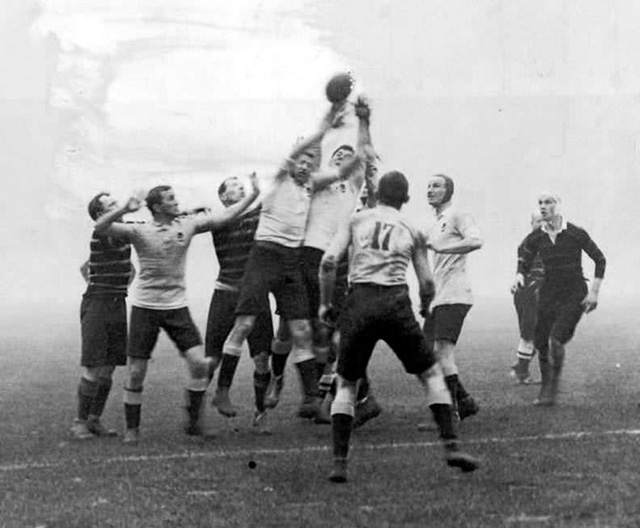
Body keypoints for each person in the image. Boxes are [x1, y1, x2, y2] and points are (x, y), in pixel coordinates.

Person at [319, 171, 480, 483]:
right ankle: (451, 447)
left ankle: (340, 463)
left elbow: (328, 262)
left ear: (377, 194)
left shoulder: (357, 220)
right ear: (406, 199)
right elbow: (428, 281)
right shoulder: (414, 229)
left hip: (360, 300)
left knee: (348, 382)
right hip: (395, 302)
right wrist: (423, 305)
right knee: (431, 374)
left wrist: (326, 303)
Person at [93, 176, 259, 444]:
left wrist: (253, 195)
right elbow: (101, 226)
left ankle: (193, 423)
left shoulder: (187, 224)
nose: (177, 202)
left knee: (200, 364)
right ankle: (132, 429)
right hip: (145, 308)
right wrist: (125, 207)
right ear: (157, 207)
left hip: (176, 308)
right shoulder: (139, 230)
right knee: (136, 371)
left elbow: (226, 217)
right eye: (170, 199)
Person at [220, 103, 359, 423]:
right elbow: (303, 150)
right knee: (251, 326)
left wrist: (361, 135)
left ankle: (311, 396)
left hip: (299, 263)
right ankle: (230, 387)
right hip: (272, 256)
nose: (307, 164)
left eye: (312, 160)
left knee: (303, 330)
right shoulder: (281, 179)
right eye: (304, 159)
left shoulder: (316, 184)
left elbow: (342, 169)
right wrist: (328, 122)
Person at [516, 192, 605, 406]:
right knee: (540, 342)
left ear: (559, 205)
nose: (544, 206)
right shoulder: (536, 237)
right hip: (548, 294)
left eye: (549, 202)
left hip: (574, 294)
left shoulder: (575, 233)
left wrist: (593, 292)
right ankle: (546, 389)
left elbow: (600, 260)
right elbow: (524, 258)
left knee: (555, 339)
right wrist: (519, 275)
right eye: (540, 203)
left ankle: (551, 390)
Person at [205, 176, 274, 434]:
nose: (239, 184)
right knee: (211, 358)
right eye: (232, 184)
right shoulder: (220, 220)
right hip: (225, 294)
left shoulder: (258, 215)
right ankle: (198, 411)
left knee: (262, 358)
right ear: (223, 196)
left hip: (255, 294)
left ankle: (260, 413)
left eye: (239, 182)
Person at [72, 193, 135, 440]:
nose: (118, 207)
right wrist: (96, 287)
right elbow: (84, 268)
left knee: (108, 369)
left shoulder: (123, 233)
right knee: (93, 367)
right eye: (112, 205)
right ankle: (79, 422)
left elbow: (131, 270)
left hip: (117, 305)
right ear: (101, 214)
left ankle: (94, 420)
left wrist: (119, 285)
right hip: (97, 305)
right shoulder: (101, 231)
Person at [423, 174, 483, 421]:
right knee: (427, 354)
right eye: (428, 186)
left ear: (449, 191)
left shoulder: (458, 216)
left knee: (442, 352)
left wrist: (443, 248)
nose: (430, 189)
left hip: (456, 294)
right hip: (440, 297)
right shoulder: (434, 224)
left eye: (437, 185)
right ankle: (464, 401)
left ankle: (450, 412)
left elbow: (476, 240)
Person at [510, 212, 545, 384]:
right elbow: (522, 267)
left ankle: (521, 366)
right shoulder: (527, 243)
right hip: (531, 291)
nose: (542, 224)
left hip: (541, 291)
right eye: (538, 221)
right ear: (531, 223)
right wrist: (519, 279)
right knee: (531, 331)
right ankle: (522, 370)